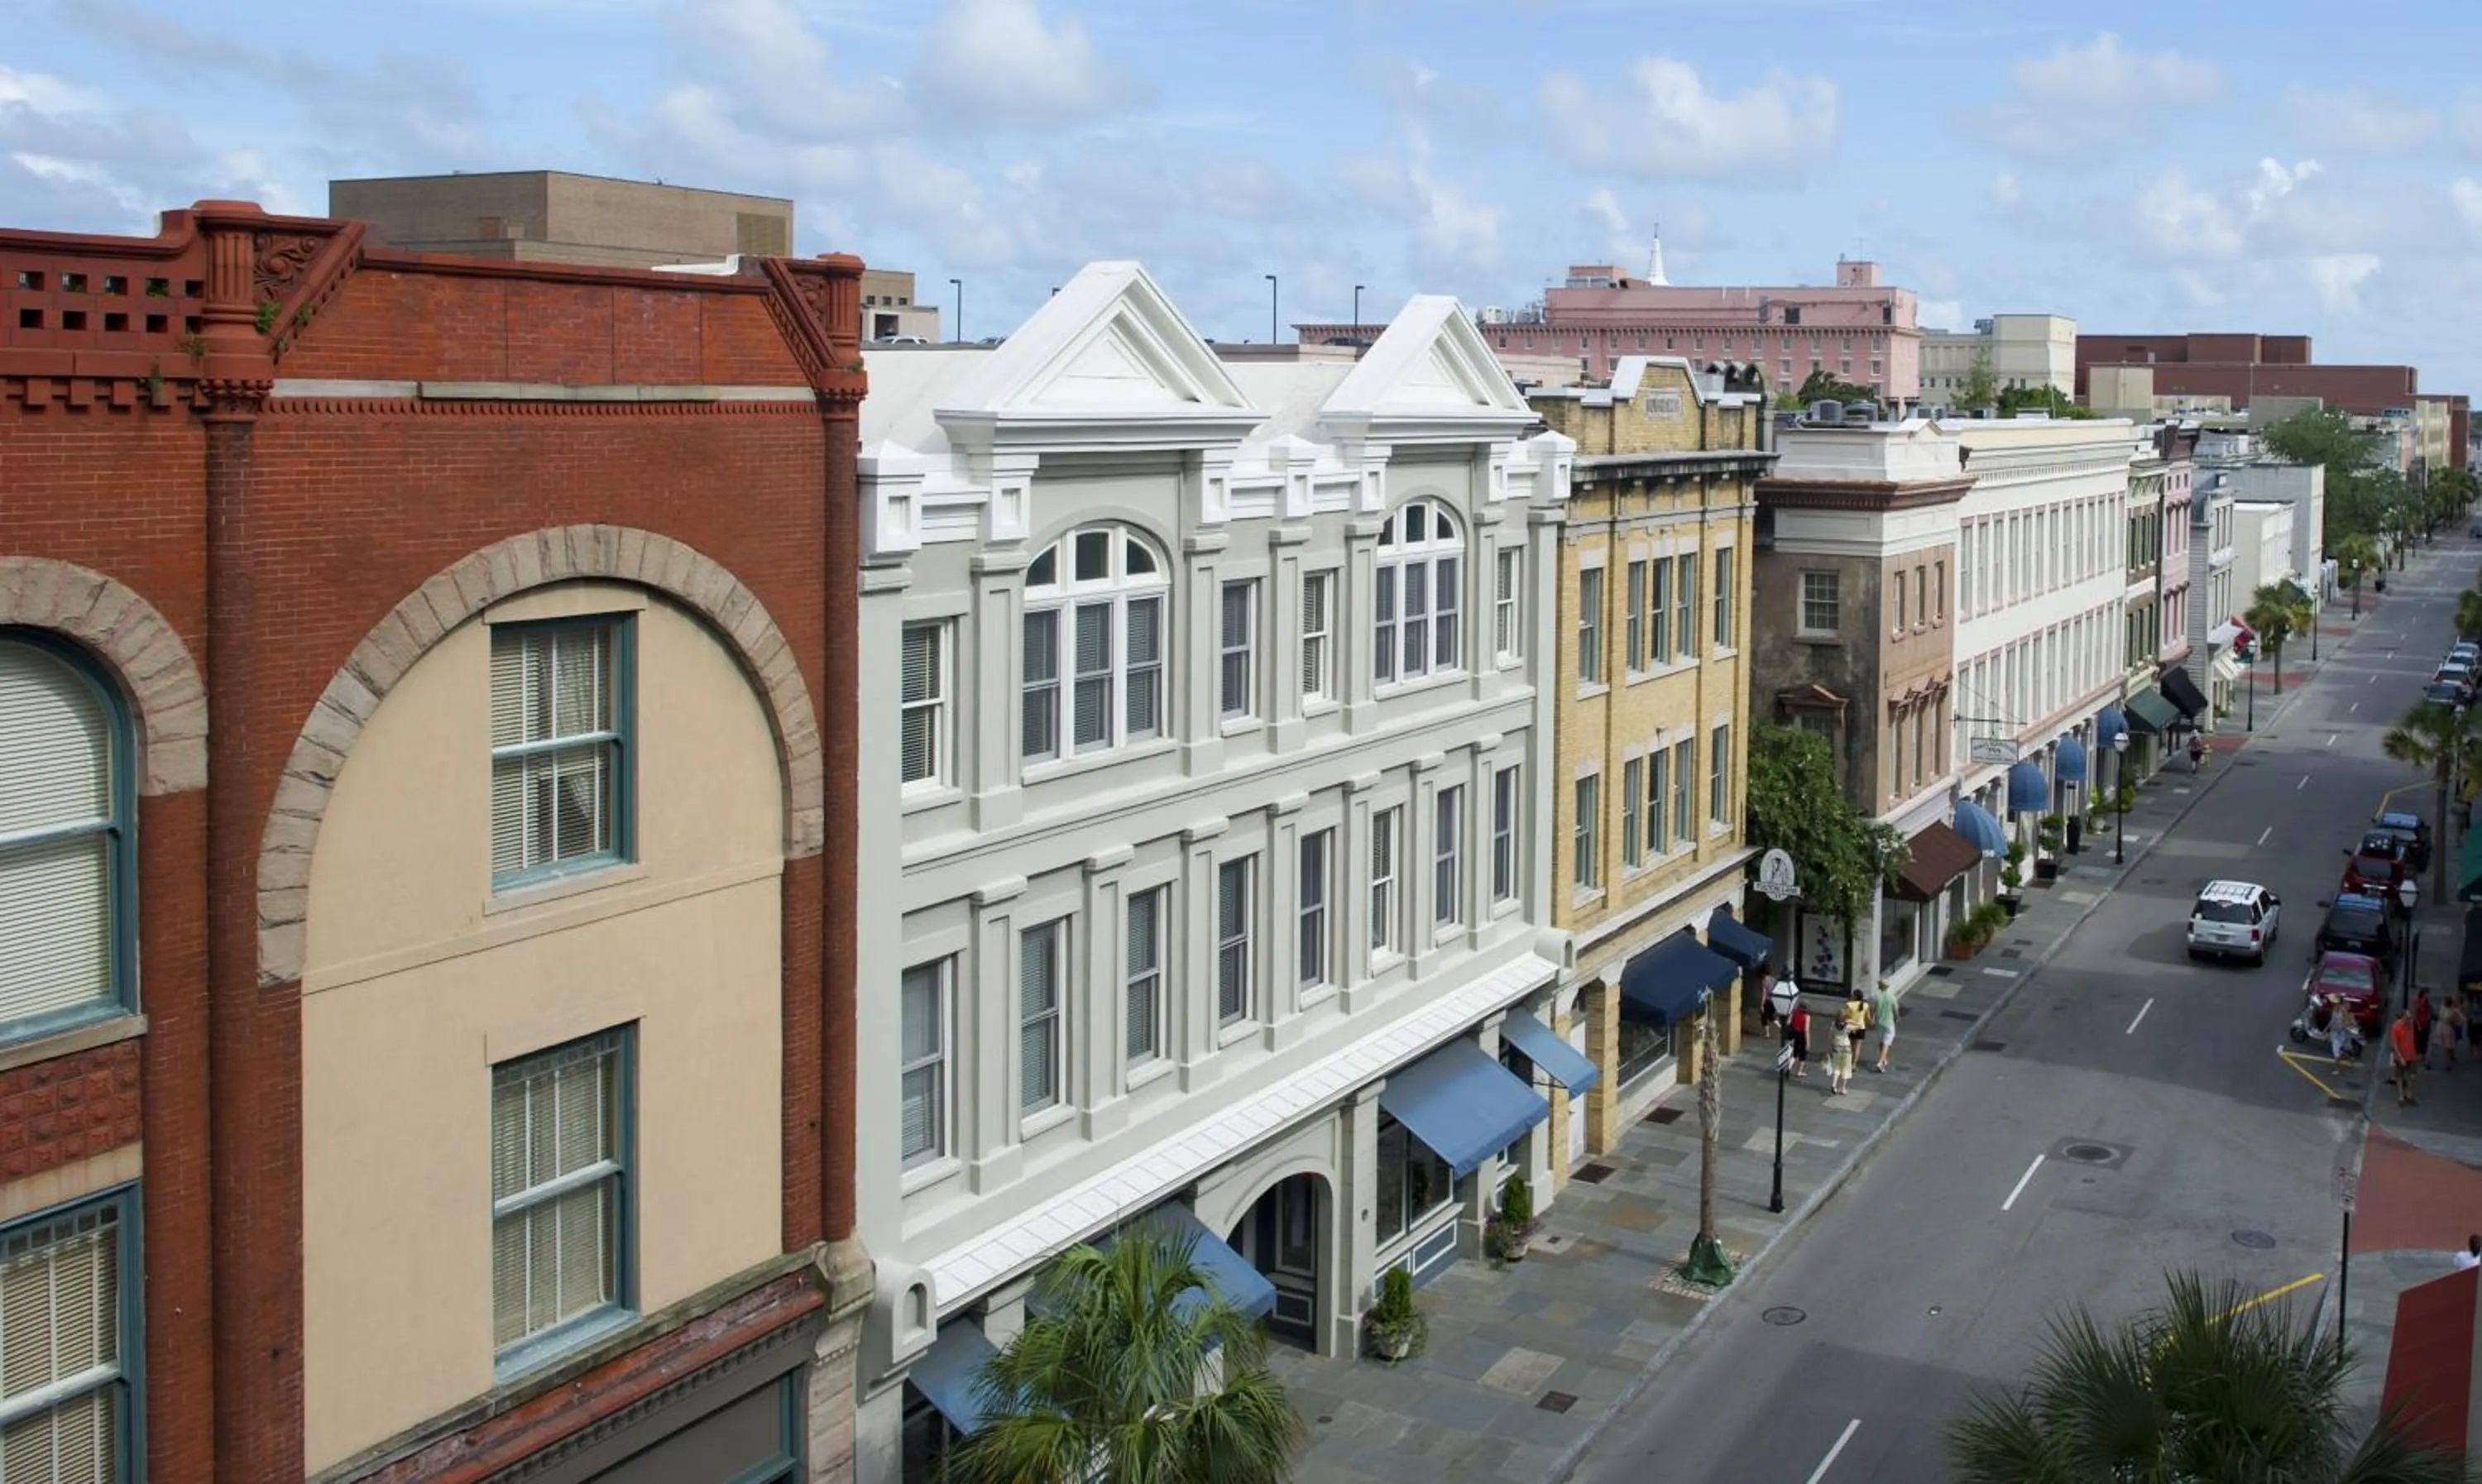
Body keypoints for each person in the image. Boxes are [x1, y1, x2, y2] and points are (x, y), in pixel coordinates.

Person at [2390, 1011, 2422, 1107]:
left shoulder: (2411, 1025)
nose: (2410, 1020)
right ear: (2403, 1018)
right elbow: (2395, 1044)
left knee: (2412, 1076)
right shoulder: (2396, 1027)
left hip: (2411, 1055)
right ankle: (2401, 1096)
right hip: (2401, 1056)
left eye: (2410, 1018)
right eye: (2408, 1018)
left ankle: (2408, 1092)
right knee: (2400, 1076)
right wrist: (2400, 1057)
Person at [1870, 979, 1900, 1074]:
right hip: (1889, 1022)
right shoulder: (1892, 998)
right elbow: (1895, 1010)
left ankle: (1884, 1059)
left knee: (1881, 1041)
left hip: (1879, 1022)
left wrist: (1872, 1019)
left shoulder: (1876, 997)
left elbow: (1872, 1010)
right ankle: (1881, 1061)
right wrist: (1897, 1018)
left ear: (1879, 986)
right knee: (1887, 1042)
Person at [1785, 1001, 1810, 1080]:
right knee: (1803, 1054)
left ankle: (1789, 1068)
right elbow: (1806, 1030)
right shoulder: (1807, 1017)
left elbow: (1788, 1023)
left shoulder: (1794, 1013)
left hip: (1794, 1034)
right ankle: (1799, 1072)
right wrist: (1808, 1042)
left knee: (1794, 1054)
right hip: (1802, 1035)